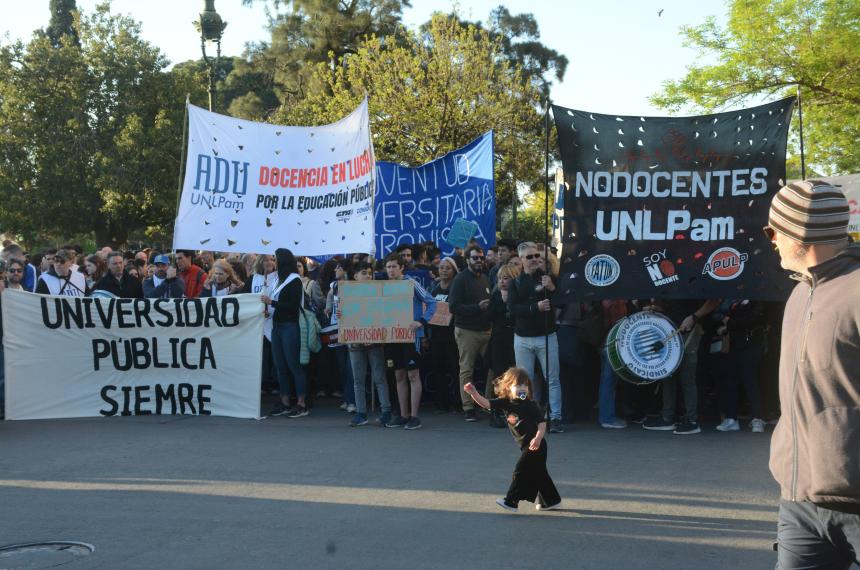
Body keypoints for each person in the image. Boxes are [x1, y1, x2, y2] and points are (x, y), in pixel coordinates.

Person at [764, 180, 859, 569]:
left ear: (800, 233)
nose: (770, 241)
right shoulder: (800, 291)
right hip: (799, 501)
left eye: (773, 230)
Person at [464, 367, 562, 513]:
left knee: (520, 470)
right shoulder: (505, 402)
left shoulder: (530, 405)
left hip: (536, 445)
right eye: (518, 385)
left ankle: (511, 501)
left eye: (525, 385)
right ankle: (551, 500)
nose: (523, 388)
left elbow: (542, 423)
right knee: (540, 473)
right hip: (526, 446)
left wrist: (538, 438)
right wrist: (473, 393)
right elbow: (486, 403)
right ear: (509, 386)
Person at [507, 242, 564, 433]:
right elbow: (513, 309)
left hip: (547, 336)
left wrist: (553, 288)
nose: (534, 260)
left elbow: (562, 302)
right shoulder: (515, 282)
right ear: (521, 260)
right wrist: (535, 308)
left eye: (536, 256)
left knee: (552, 378)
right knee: (524, 380)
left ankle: (555, 418)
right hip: (523, 337)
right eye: (529, 257)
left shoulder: (549, 278)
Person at [642, 298, 719, 435]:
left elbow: (715, 300)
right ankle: (667, 417)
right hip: (669, 331)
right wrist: (657, 310)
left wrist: (694, 317)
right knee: (668, 375)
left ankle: (692, 420)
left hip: (690, 331)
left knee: (687, 378)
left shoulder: (698, 278)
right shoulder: (674, 280)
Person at [382, 253, 436, 430]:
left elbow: (431, 302)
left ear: (401, 268)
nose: (391, 270)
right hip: (392, 336)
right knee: (399, 375)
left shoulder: (411, 283)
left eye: (394, 266)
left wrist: (421, 321)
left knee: (413, 374)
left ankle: (414, 416)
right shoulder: (383, 287)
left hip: (412, 336)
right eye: (388, 267)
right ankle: (403, 415)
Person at [262, 248, 309, 418]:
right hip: (278, 326)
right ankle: (285, 402)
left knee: (293, 365)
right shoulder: (278, 280)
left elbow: (292, 305)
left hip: (290, 326)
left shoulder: (294, 280)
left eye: (275, 259)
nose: (273, 263)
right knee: (280, 366)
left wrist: (271, 302)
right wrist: (269, 309)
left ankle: (302, 403)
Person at [448, 244, 493, 422]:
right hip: (467, 331)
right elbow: (453, 307)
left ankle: (488, 403)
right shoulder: (460, 279)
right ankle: (468, 407)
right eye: (475, 258)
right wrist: (477, 307)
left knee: (493, 367)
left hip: (486, 330)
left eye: (481, 258)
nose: (479, 261)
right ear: (467, 260)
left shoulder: (486, 278)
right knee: (467, 370)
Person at [348, 261, 392, 427]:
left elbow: (384, 314)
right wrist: (339, 312)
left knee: (380, 377)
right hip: (355, 341)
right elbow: (343, 316)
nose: (367, 275)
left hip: (375, 341)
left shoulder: (378, 292)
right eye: (364, 273)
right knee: (358, 379)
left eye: (369, 273)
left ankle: (386, 411)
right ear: (355, 276)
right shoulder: (346, 293)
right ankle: (361, 413)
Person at [713, 300, 767, 433]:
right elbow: (715, 313)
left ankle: (757, 418)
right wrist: (725, 319)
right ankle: (731, 418)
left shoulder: (757, 296)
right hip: (732, 344)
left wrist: (728, 324)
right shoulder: (729, 296)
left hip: (751, 344)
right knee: (730, 381)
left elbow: (752, 319)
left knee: (750, 380)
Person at [487, 263, 521, 427]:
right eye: (499, 278)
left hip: (515, 337)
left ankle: (517, 410)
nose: (502, 282)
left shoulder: (518, 295)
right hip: (499, 338)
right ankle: (497, 412)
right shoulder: (495, 296)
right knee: (499, 376)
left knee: (516, 375)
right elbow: (491, 315)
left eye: (506, 278)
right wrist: (502, 301)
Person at [428, 257, 460, 413]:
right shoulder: (434, 288)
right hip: (436, 335)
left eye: (447, 268)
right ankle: (441, 403)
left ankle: (458, 403)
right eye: (441, 268)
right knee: (438, 369)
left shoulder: (456, 287)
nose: (444, 270)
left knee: (455, 369)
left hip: (452, 335)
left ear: (454, 270)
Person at [244, 254, 279, 394]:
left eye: (272, 260)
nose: (269, 262)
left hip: (275, 321)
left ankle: (276, 383)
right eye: (266, 260)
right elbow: (245, 298)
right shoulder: (253, 279)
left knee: (275, 354)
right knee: (263, 355)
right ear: (260, 262)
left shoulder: (279, 278)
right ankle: (263, 383)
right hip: (258, 323)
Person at [324, 259, 356, 412]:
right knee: (342, 367)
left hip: (350, 329)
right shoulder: (334, 285)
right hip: (336, 328)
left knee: (351, 368)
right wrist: (328, 308)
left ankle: (353, 401)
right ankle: (347, 398)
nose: (335, 269)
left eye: (338, 267)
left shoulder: (353, 286)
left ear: (345, 270)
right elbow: (330, 298)